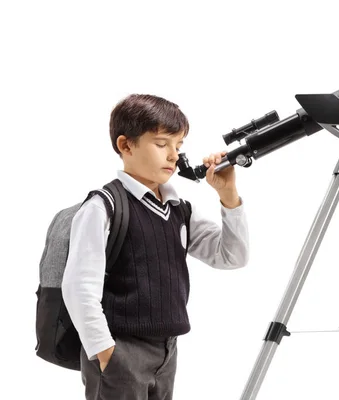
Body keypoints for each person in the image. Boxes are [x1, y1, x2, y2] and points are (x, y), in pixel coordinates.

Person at [61, 94, 250, 399]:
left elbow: (232, 256)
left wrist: (229, 196)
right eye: (162, 144)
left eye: (178, 146)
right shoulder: (104, 207)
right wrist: (106, 352)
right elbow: (79, 287)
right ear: (126, 145)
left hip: (167, 349)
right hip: (121, 349)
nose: (173, 156)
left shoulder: (179, 209)